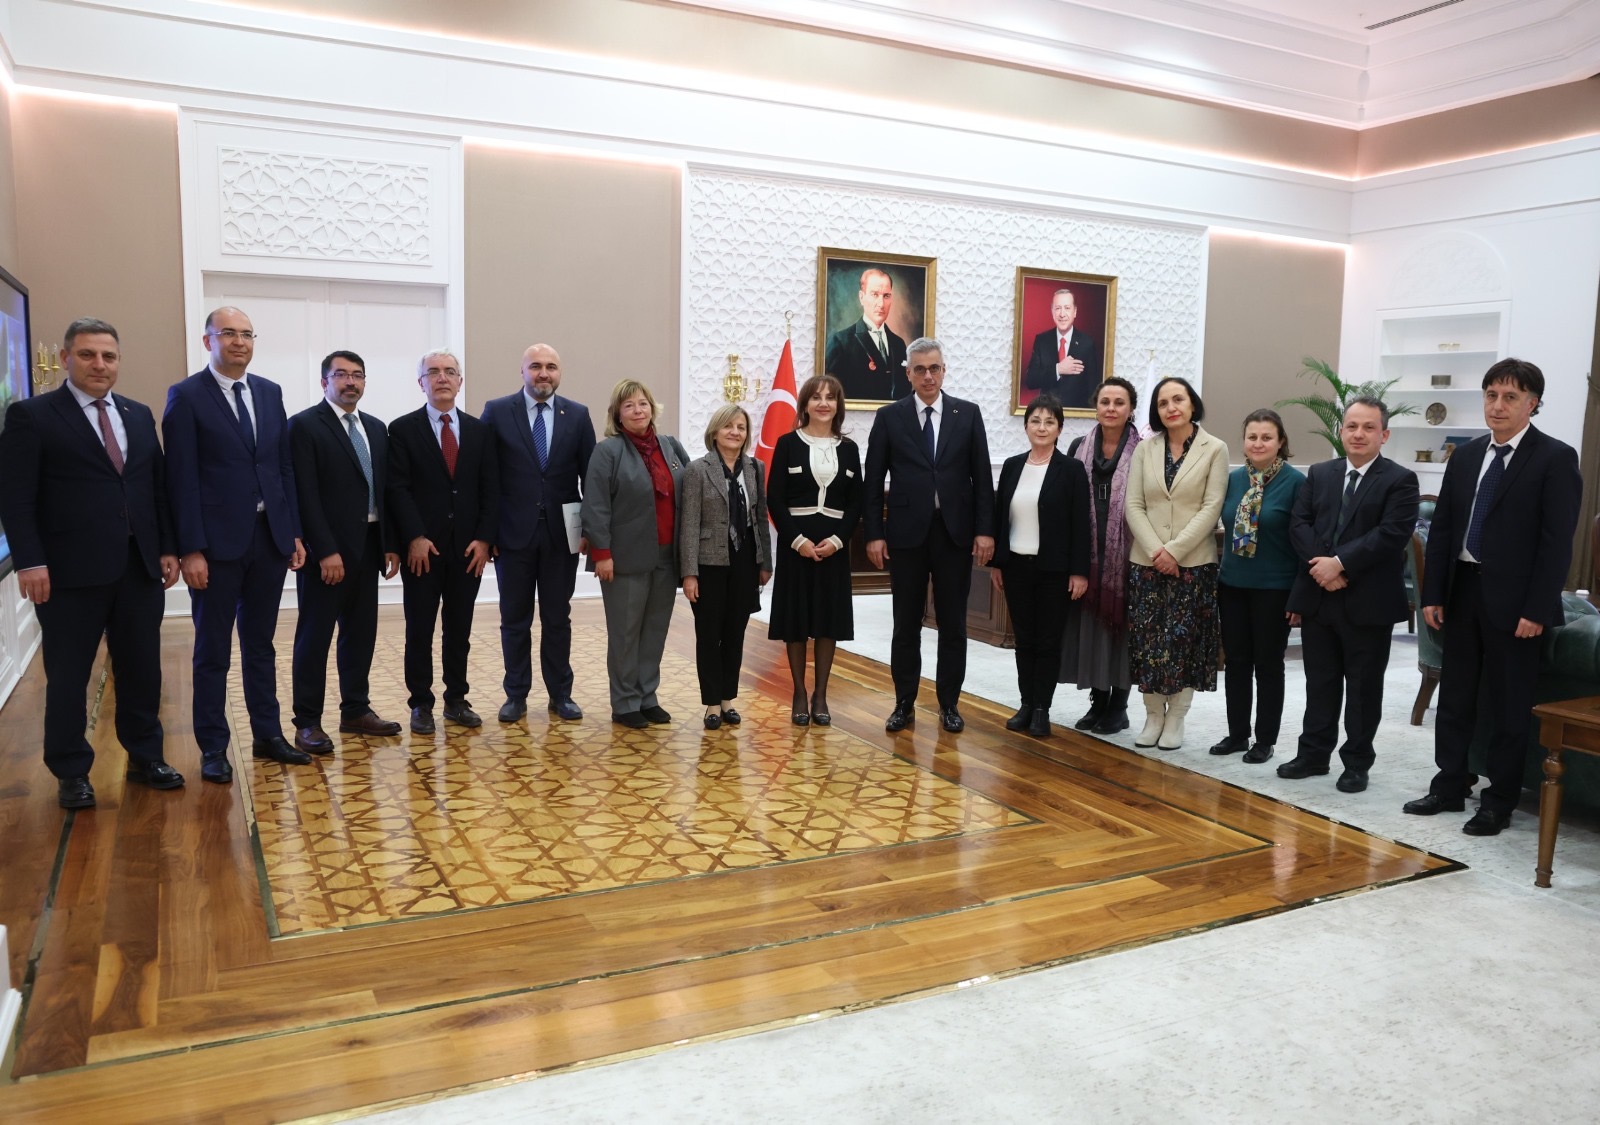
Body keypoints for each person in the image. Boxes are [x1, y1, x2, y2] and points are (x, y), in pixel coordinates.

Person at [0, 318, 181, 808]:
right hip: (66, 573)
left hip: (138, 568)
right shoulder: (32, 416)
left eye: (108, 356)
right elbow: (15, 498)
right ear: (65, 359)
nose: (99, 364)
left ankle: (146, 757)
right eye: (87, 355)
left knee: (142, 670)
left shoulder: (138, 414)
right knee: (68, 677)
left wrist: (167, 547)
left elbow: (155, 489)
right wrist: (29, 561)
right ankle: (71, 771)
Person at [1405, 359, 1581, 835]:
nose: (1497, 405)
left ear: (1532, 404)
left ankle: (1499, 799)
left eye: (1510, 397)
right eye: (1491, 395)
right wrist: (1433, 592)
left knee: (1508, 703)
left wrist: (1536, 608)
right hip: (1462, 591)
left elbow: (1556, 543)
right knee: (1456, 696)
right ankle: (1449, 783)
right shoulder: (1465, 456)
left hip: (1517, 603)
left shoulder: (1555, 458)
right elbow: (1443, 529)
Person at [163, 306, 309, 783]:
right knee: (212, 652)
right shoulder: (186, 396)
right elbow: (180, 478)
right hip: (215, 547)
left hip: (269, 541)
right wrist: (190, 549)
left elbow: (282, 467)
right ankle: (213, 747)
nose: (239, 341)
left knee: (260, 646)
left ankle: (268, 735)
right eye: (228, 333)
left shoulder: (269, 392)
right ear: (208, 340)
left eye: (246, 334)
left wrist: (292, 531)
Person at [1280, 396, 1419, 793]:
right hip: (1320, 596)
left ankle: (1357, 763)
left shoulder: (1400, 480)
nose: (1359, 434)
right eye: (1352, 426)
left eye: (1368, 427)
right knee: (1319, 682)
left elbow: (1390, 535)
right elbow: (1299, 524)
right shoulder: (1320, 473)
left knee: (1362, 688)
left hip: (1368, 601)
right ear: (1341, 431)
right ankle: (1313, 754)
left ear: (1384, 435)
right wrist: (1323, 569)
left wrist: (1339, 564)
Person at [864, 337, 996, 733]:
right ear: (908, 373)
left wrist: (985, 531)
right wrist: (874, 534)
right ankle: (904, 703)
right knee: (905, 624)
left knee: (953, 625)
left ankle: (949, 704)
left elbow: (982, 477)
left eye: (934, 368)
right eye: (919, 369)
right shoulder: (889, 417)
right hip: (905, 536)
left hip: (954, 534)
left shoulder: (967, 414)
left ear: (944, 371)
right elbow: (873, 480)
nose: (928, 376)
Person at [287, 351, 403, 752]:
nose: (350, 382)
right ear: (325, 382)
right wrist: (324, 550)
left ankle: (355, 710)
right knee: (315, 637)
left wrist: (389, 544)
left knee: (360, 633)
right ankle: (307, 721)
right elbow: (305, 494)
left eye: (357, 375)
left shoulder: (375, 427)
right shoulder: (304, 426)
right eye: (341, 375)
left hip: (369, 546)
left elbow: (384, 492)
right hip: (327, 555)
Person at [480, 344, 596, 723]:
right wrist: (487, 532)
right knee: (514, 619)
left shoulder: (577, 415)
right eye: (535, 366)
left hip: (562, 537)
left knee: (558, 619)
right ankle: (515, 695)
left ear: (559, 372)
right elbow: (485, 477)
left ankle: (561, 695)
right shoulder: (497, 411)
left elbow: (590, 478)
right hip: (512, 535)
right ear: (523, 371)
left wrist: (589, 530)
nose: (543, 373)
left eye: (551, 367)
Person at [386, 350, 500, 734]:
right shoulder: (402, 430)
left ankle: (456, 700)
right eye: (433, 372)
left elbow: (491, 489)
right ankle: (420, 703)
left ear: (460, 381)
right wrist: (414, 537)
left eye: (450, 372)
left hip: (468, 550)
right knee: (419, 630)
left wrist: (484, 539)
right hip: (423, 551)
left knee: (459, 630)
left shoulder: (480, 431)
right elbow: (397, 489)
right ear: (421, 382)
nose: (442, 378)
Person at [1125, 376, 1229, 751]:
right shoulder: (1145, 449)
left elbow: (1211, 507)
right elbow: (1133, 505)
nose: (1171, 407)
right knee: (1149, 642)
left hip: (1194, 564)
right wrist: (1158, 551)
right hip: (1147, 562)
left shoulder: (1215, 449)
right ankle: (1153, 715)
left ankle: (1176, 718)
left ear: (1192, 404)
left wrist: (1175, 552)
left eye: (1178, 399)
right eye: (1163, 402)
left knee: (1184, 643)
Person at [582, 380, 691, 729]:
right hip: (623, 558)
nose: (637, 410)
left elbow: (691, 490)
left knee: (655, 630)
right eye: (628, 405)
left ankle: (647, 697)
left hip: (667, 556)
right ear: (618, 414)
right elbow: (595, 504)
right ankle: (625, 702)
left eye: (642, 403)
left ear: (652, 408)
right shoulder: (608, 451)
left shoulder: (671, 447)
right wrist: (602, 553)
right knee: (625, 633)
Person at [989, 394, 1090, 738]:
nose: (1042, 427)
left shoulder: (1071, 470)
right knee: (1024, 640)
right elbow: (1001, 518)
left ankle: (1042, 709)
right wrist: (998, 563)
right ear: (1026, 426)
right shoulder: (1012, 466)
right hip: (1016, 567)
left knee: (1048, 642)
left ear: (1060, 428)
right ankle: (1026, 704)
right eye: (1035, 421)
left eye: (1049, 422)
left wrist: (1079, 571)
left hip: (1054, 571)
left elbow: (1081, 524)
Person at [1209, 409, 1306, 765]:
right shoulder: (1233, 480)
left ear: (1280, 442)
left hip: (1275, 588)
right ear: (1244, 441)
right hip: (1232, 584)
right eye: (1252, 437)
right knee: (1236, 662)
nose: (1259, 443)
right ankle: (1237, 734)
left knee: (1267, 664)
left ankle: (1265, 740)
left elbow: (1304, 543)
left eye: (1267, 437)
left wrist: (1300, 595)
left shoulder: (1296, 483)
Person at [767, 374, 862, 726]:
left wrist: (838, 541)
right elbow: (775, 499)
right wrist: (798, 541)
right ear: (805, 404)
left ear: (838, 405)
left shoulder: (849, 449)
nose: (824, 403)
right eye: (816, 397)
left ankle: (820, 694)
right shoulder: (787, 443)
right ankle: (798, 692)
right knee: (796, 622)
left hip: (833, 546)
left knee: (827, 622)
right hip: (797, 545)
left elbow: (856, 503)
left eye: (830, 397)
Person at [678, 405, 773, 729]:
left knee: (735, 633)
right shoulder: (697, 470)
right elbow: (689, 523)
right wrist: (689, 573)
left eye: (741, 427)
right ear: (715, 432)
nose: (735, 432)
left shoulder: (756, 467)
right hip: (709, 563)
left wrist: (765, 562)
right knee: (709, 635)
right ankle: (711, 704)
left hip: (745, 560)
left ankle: (728, 700)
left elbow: (760, 517)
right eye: (728, 426)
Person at [1060, 377, 1142, 734]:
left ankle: (1118, 707)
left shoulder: (1144, 451)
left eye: (1119, 402)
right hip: (1088, 553)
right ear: (1096, 406)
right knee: (1092, 628)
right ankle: (1098, 701)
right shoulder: (1079, 446)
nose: (1111, 408)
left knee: (1120, 630)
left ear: (1131, 409)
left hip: (1129, 555)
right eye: (1105, 401)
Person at [825, 268, 909, 402]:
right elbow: (832, 396)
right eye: (875, 294)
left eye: (886, 296)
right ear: (861, 297)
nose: (881, 304)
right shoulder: (840, 342)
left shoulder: (899, 344)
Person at [1022, 287, 1102, 408]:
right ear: (1052, 312)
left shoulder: (1087, 343)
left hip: (1077, 413)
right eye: (1058, 308)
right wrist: (1058, 369)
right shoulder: (1042, 341)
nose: (1062, 314)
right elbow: (1031, 380)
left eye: (1067, 308)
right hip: (1047, 411)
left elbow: (1094, 389)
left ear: (1075, 312)